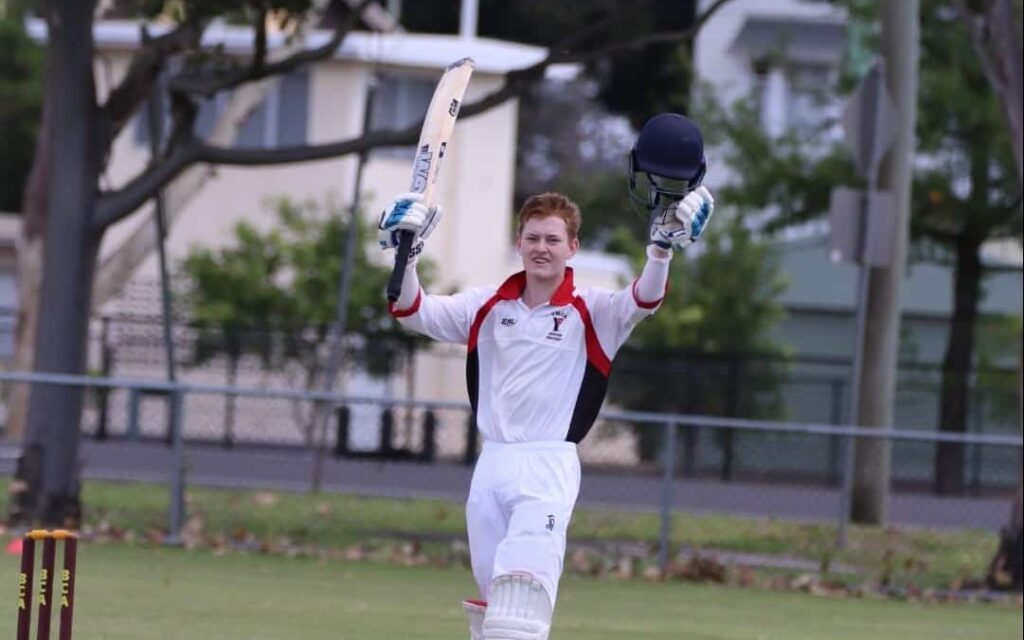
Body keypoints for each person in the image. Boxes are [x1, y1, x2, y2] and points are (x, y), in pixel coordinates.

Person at [378, 113, 714, 640]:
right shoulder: (486, 306)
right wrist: (407, 251)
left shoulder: (594, 311)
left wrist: (661, 250)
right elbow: (411, 310)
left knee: (521, 606)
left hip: (547, 467)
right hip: (491, 466)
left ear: (572, 247)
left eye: (553, 240)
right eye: (533, 237)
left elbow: (645, 298)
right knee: (491, 614)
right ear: (520, 243)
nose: (542, 247)